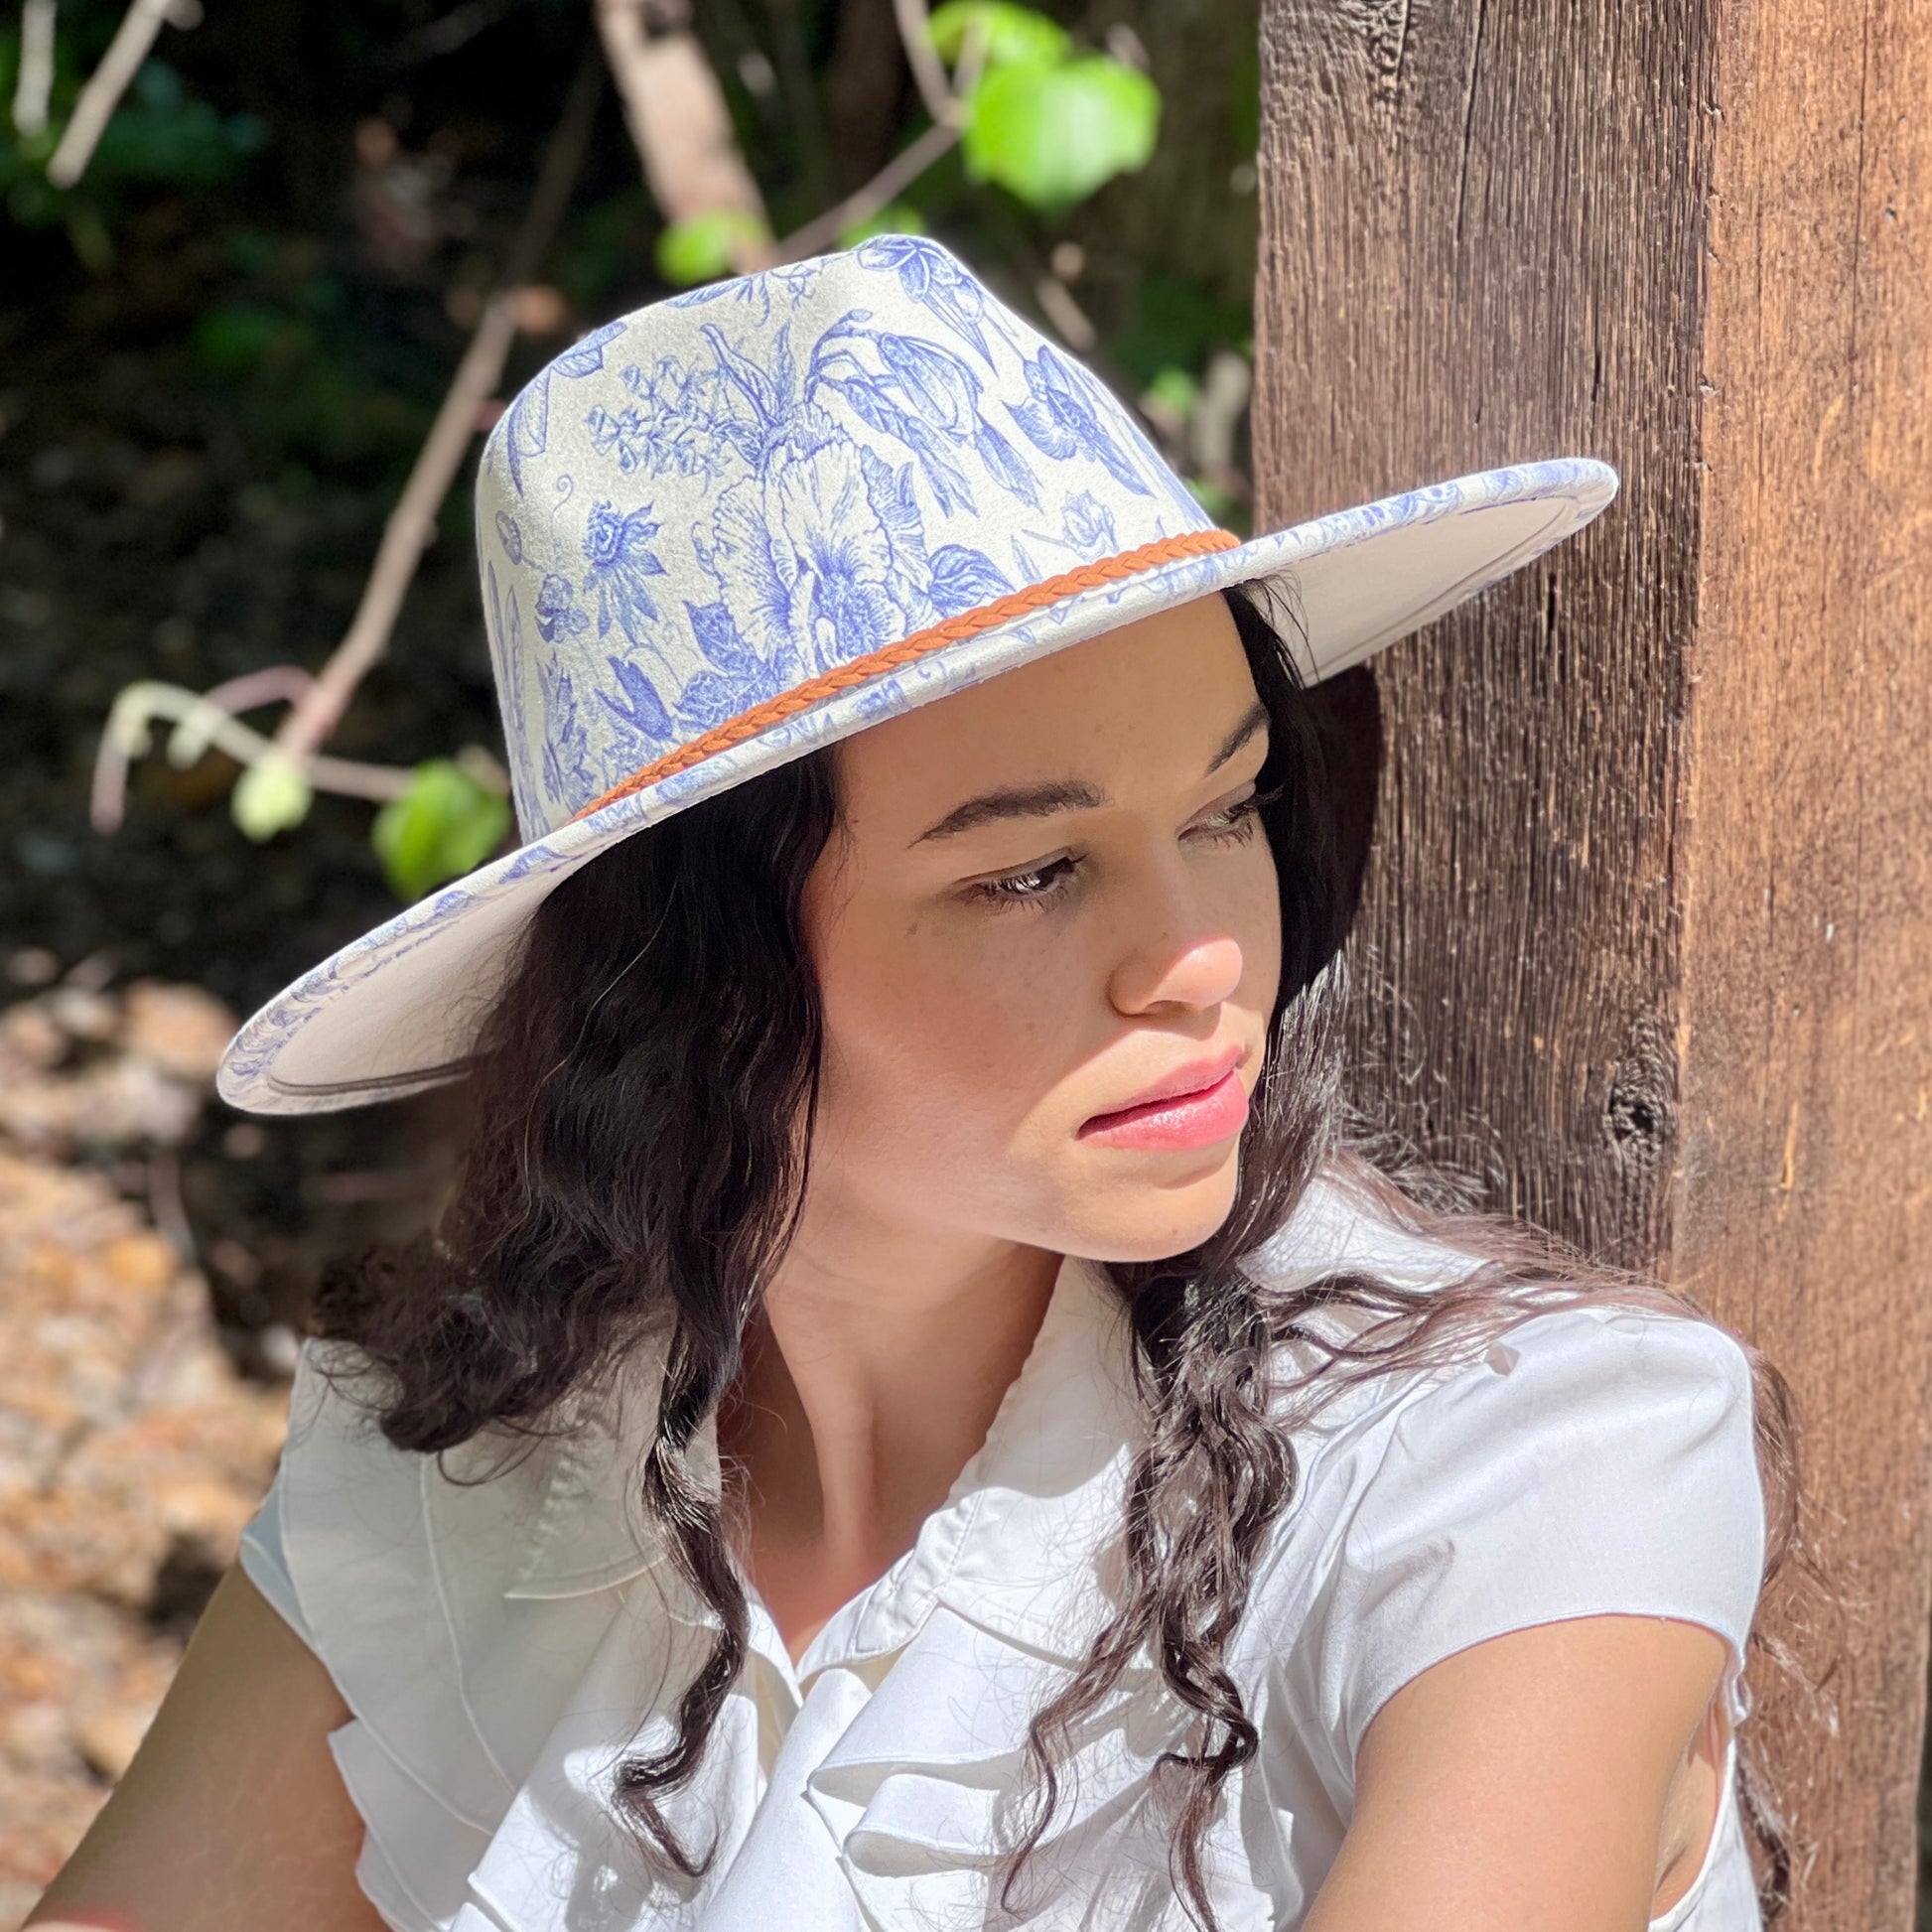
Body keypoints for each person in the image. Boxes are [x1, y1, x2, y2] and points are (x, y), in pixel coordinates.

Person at [32, 238, 1800, 1932]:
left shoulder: (1528, 1462)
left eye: (1224, 808)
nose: (1197, 959)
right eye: (1026, 873)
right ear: (690, 978)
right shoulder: (484, 1470)